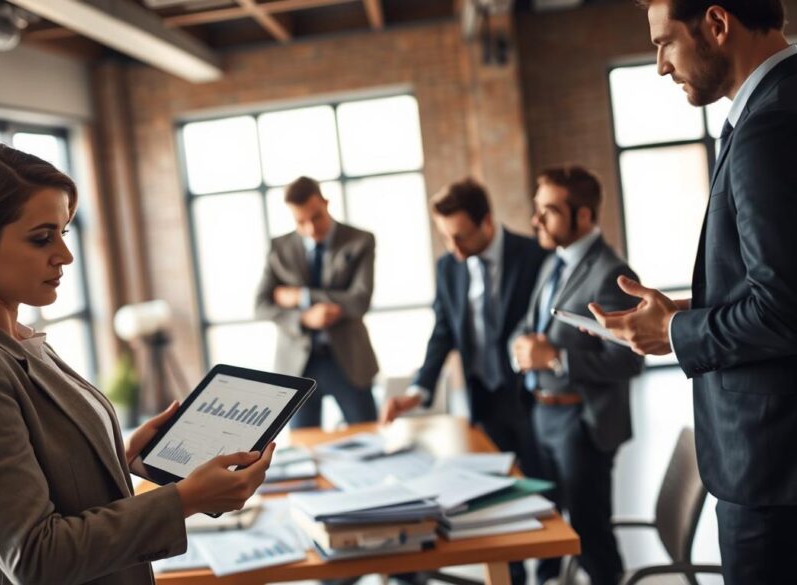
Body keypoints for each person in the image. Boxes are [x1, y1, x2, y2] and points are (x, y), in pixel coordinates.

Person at [0, 144, 273, 585]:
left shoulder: (16, 339)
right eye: (41, 238)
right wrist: (182, 500)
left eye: (63, 233)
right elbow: (33, 556)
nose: (64, 255)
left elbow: (48, 473)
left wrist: (124, 456)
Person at [590, 1, 797, 582]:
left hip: (773, 466)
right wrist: (691, 310)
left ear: (718, 24)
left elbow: (786, 313)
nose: (660, 66)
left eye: (664, 42)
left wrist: (673, 331)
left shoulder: (772, 126)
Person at [382, 177, 547, 585]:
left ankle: (549, 570)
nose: (453, 249)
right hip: (482, 398)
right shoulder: (449, 268)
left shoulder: (533, 255)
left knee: (543, 490)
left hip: (532, 398)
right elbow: (443, 333)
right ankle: (514, 576)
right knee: (497, 497)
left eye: (460, 236)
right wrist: (418, 391)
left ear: (486, 221)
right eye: (445, 238)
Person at [510, 166, 644, 585]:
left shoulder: (612, 274)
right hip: (544, 416)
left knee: (591, 537)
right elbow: (534, 324)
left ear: (583, 216)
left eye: (548, 211)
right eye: (538, 210)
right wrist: (523, 346)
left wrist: (554, 359)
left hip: (582, 423)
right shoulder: (555, 263)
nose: (536, 221)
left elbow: (629, 361)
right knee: (554, 528)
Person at [256, 176, 379, 428]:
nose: (311, 229)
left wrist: (301, 296)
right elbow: (260, 306)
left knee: (369, 437)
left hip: (349, 360)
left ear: (325, 202)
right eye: (300, 222)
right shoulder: (279, 248)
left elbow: (359, 301)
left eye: (316, 217)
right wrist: (304, 317)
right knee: (305, 448)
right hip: (298, 365)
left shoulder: (360, 240)